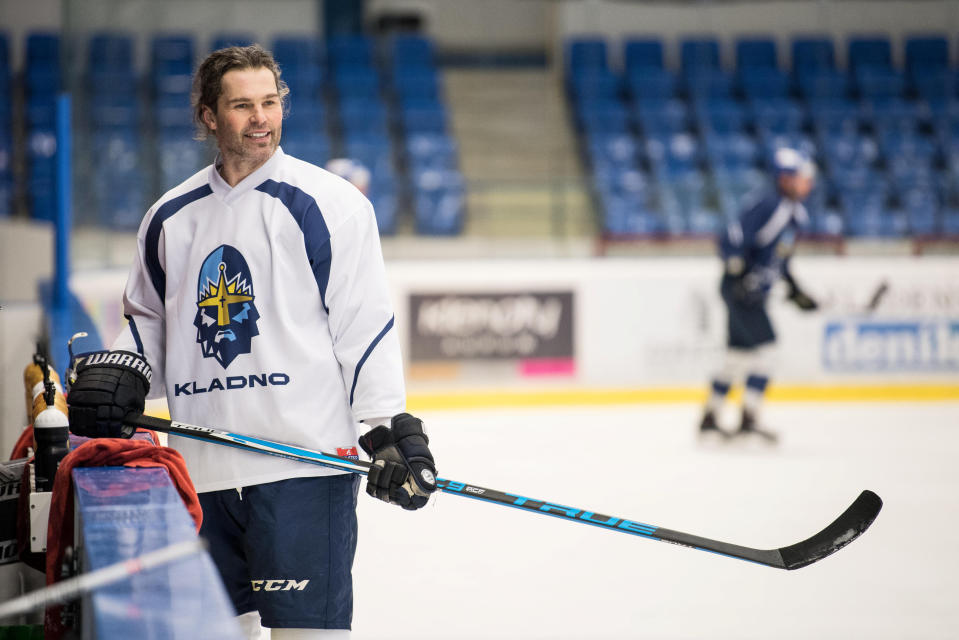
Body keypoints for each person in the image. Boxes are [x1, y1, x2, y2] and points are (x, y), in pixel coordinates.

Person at [66, 45, 436, 640]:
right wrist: (123, 368)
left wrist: (389, 431)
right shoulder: (169, 216)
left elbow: (364, 325)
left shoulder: (330, 205)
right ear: (210, 116)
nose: (261, 117)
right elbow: (148, 322)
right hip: (201, 472)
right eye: (243, 105)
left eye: (270, 102)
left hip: (304, 469)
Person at [698, 147, 819, 443]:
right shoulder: (769, 205)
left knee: (737, 356)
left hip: (751, 293)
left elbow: (780, 259)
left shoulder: (794, 214)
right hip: (740, 291)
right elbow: (734, 236)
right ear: (786, 178)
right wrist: (737, 269)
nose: (808, 184)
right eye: (803, 177)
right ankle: (748, 419)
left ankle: (709, 418)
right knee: (768, 352)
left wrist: (794, 288)